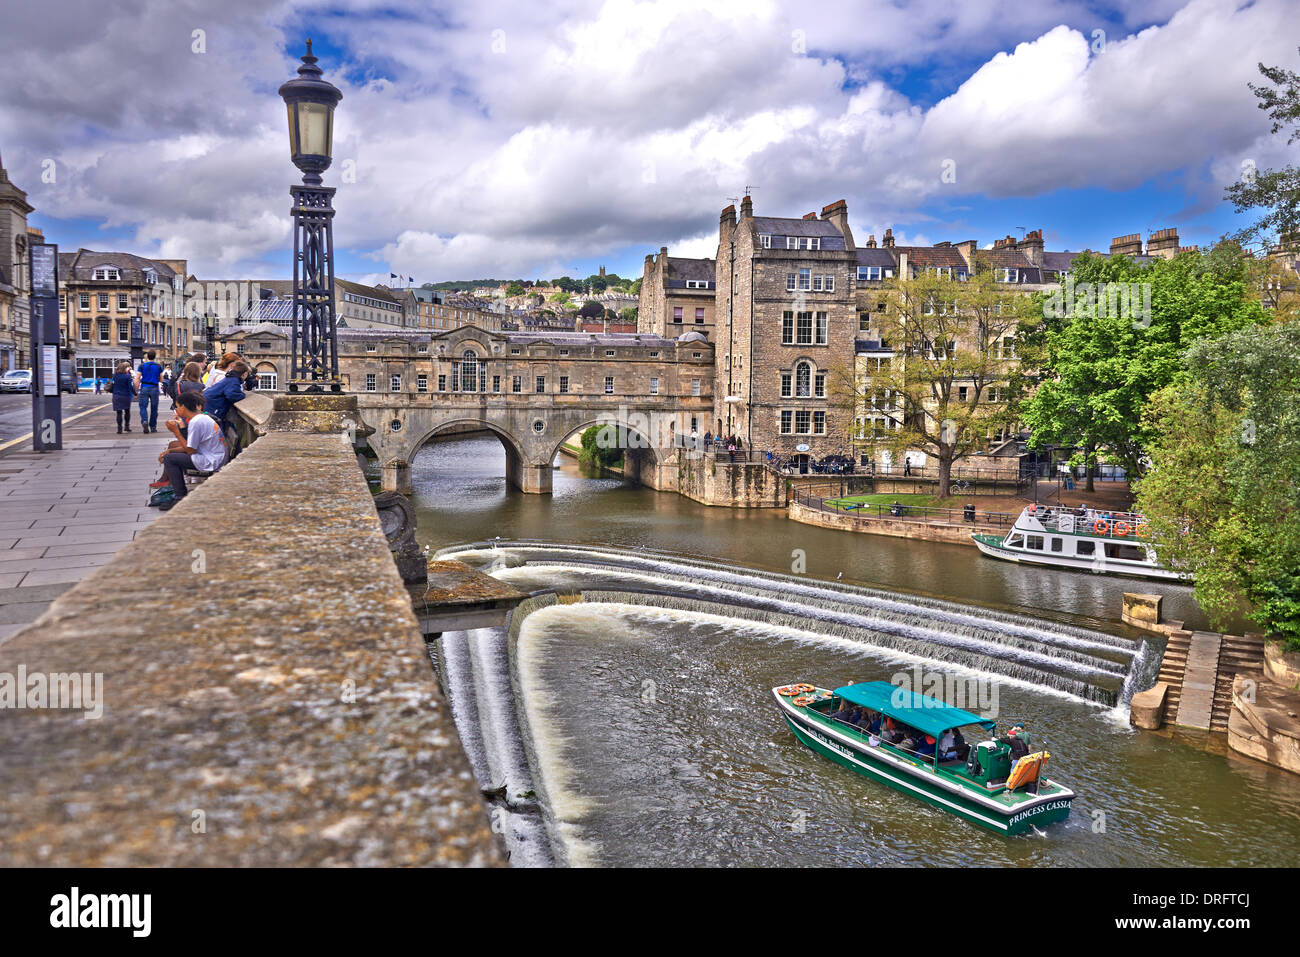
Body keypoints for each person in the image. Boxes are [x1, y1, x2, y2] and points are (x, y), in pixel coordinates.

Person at [156, 391, 228, 510]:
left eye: (177, 406)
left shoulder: (196, 422)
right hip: (215, 457)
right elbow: (191, 447)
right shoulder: (202, 418)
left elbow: (190, 450)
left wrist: (176, 432)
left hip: (212, 461)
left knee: (169, 460)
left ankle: (179, 497)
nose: (177, 409)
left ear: (183, 407)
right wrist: (170, 450)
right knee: (170, 455)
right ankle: (179, 494)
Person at [202, 359, 248, 428]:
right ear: (244, 374)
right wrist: (243, 395)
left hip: (208, 402)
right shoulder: (233, 380)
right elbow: (232, 395)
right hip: (213, 406)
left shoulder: (230, 378)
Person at [136, 350, 163, 432]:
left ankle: (144, 421)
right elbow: (161, 379)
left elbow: (137, 378)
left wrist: (136, 390)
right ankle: (153, 427)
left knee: (143, 406)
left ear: (147, 356)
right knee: (154, 408)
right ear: (154, 357)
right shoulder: (158, 366)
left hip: (144, 387)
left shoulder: (141, 366)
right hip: (154, 388)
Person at [110, 361, 136, 433]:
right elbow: (130, 386)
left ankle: (119, 428)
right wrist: (135, 393)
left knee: (119, 413)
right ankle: (127, 426)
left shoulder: (115, 376)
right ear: (124, 369)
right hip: (125, 396)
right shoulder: (127, 376)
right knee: (127, 412)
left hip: (116, 396)